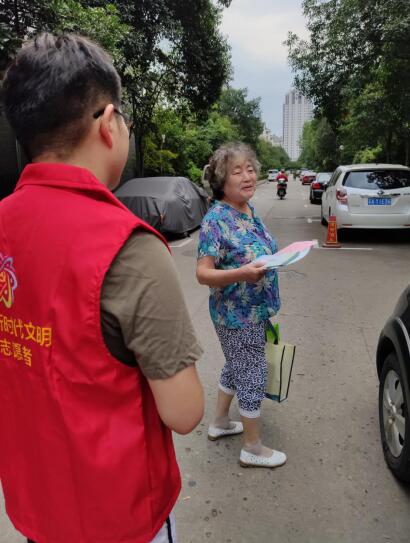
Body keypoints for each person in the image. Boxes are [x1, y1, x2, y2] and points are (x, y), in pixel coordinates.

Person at [0, 33, 204, 543]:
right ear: (109, 124)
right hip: (121, 518)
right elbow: (183, 412)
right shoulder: (130, 247)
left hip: (35, 508)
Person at [196, 142, 286, 469]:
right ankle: (252, 447)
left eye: (250, 169)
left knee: (237, 364)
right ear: (222, 181)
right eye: (237, 171)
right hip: (236, 315)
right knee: (252, 373)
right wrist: (242, 273)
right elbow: (203, 273)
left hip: (256, 310)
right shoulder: (215, 220)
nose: (248, 176)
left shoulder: (248, 210)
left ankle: (220, 422)